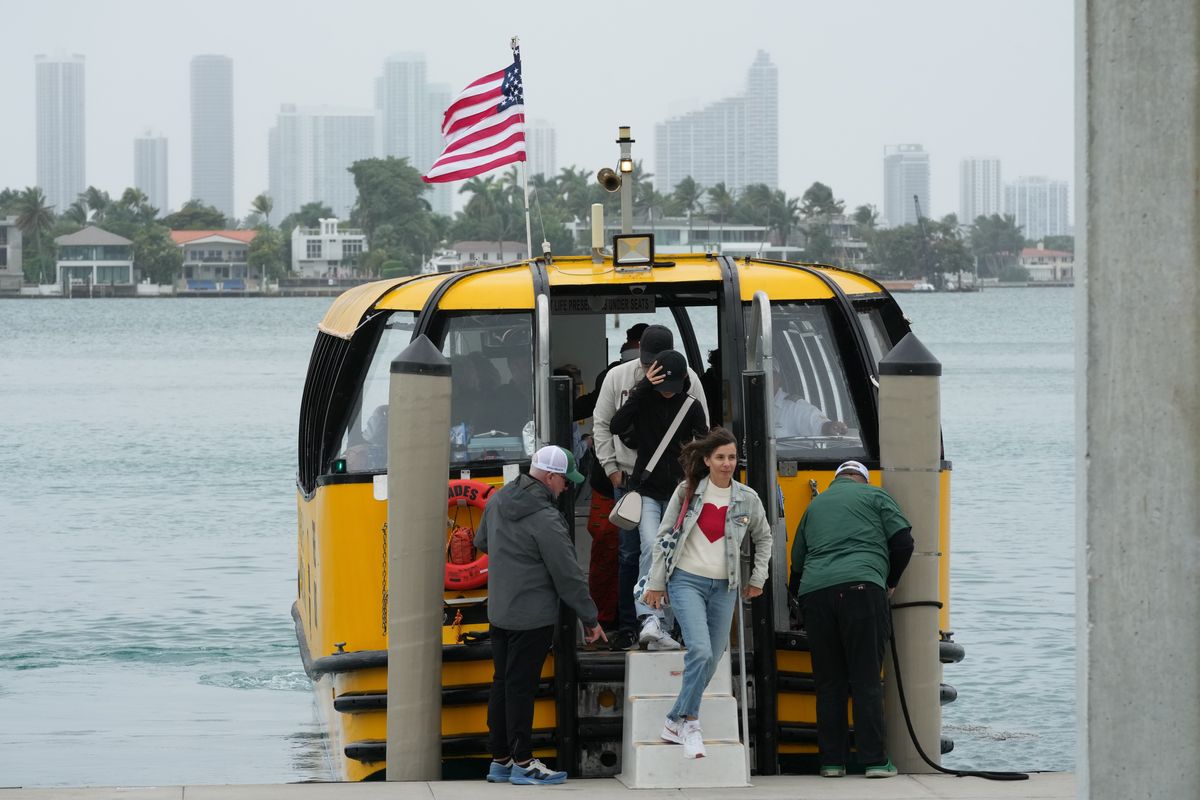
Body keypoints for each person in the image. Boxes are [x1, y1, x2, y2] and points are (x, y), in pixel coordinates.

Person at [475, 445, 608, 785]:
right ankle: (523, 762)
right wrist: (590, 619)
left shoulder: (498, 499)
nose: (566, 487)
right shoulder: (546, 518)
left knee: (502, 683)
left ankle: (500, 759)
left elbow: (482, 541)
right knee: (522, 688)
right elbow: (568, 575)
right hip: (532, 616)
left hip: (500, 610)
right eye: (565, 480)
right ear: (550, 477)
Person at [641, 427, 773, 759]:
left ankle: (674, 720)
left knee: (712, 659)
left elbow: (764, 538)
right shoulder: (687, 491)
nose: (727, 463)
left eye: (732, 457)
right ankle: (692, 724)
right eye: (720, 457)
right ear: (707, 460)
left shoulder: (747, 498)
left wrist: (758, 577)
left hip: (725, 587)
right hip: (686, 581)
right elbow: (663, 536)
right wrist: (656, 582)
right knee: (699, 651)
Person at [788, 460, 914, 779]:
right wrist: (890, 581)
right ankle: (875, 762)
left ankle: (832, 762)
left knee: (828, 682)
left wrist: (799, 604)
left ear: (837, 480)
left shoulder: (815, 507)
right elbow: (903, 541)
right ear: (862, 479)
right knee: (866, 678)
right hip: (862, 588)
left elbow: (797, 563)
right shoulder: (874, 495)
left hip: (815, 595)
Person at [592, 324, 710, 651]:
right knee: (631, 553)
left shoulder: (688, 381)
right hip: (633, 481)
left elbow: (703, 434)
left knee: (670, 552)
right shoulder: (619, 378)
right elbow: (605, 424)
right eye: (646, 362)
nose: (651, 369)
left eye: (657, 363)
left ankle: (665, 623)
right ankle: (632, 624)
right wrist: (611, 469)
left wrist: (696, 478)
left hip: (676, 485)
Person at [772, 366, 848, 437]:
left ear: (778, 379)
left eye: (771, 374)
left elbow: (819, 425)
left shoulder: (794, 407)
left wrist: (830, 427)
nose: (766, 379)